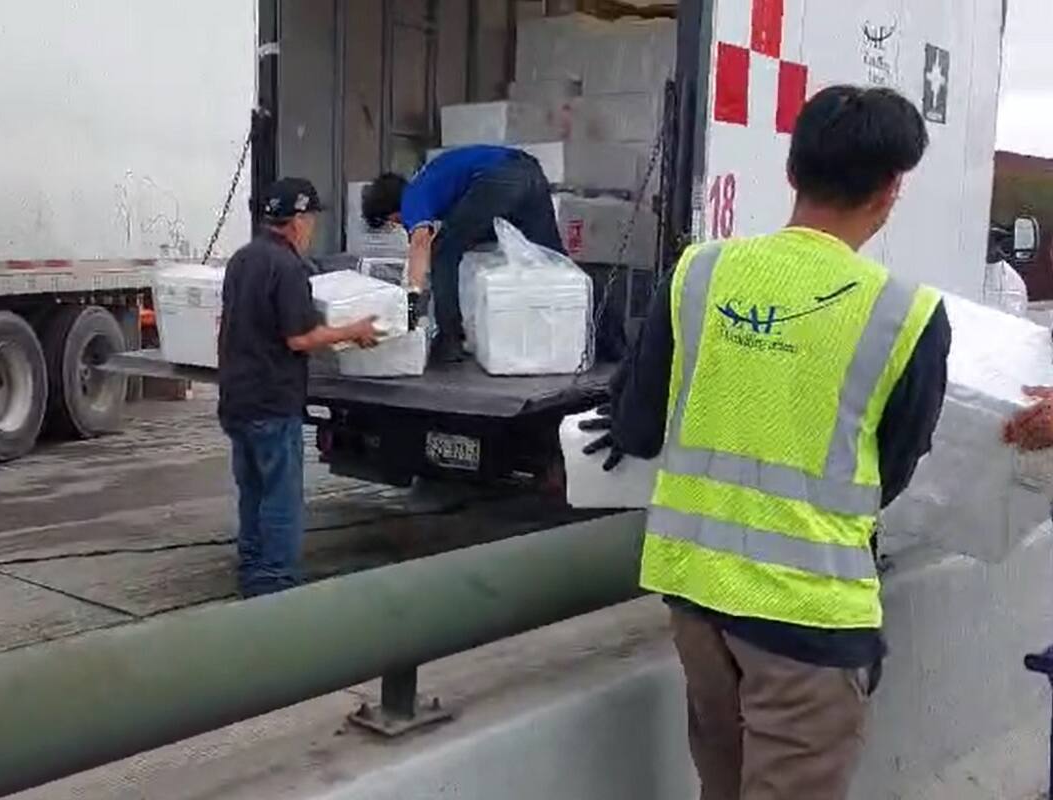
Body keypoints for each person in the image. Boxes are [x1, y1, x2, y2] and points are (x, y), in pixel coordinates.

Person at [585, 86, 952, 799]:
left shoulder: (697, 274)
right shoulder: (907, 315)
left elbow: (636, 426)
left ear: (791, 171)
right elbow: (890, 474)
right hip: (810, 620)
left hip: (696, 598)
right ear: (891, 189)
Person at [218, 177, 378, 598]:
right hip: (272, 401)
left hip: (237, 399)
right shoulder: (288, 267)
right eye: (311, 220)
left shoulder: (242, 259)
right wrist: (353, 331)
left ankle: (252, 571)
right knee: (281, 497)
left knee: (252, 492)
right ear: (298, 220)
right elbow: (299, 338)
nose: (312, 230)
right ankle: (276, 582)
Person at [361, 145, 565, 362]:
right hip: (530, 171)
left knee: (442, 251)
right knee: (550, 256)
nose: (400, 226)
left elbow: (421, 243)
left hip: (500, 176)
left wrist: (412, 298)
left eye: (392, 222)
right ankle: (572, 331)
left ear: (392, 209)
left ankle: (449, 339)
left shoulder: (412, 196)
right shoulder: (429, 182)